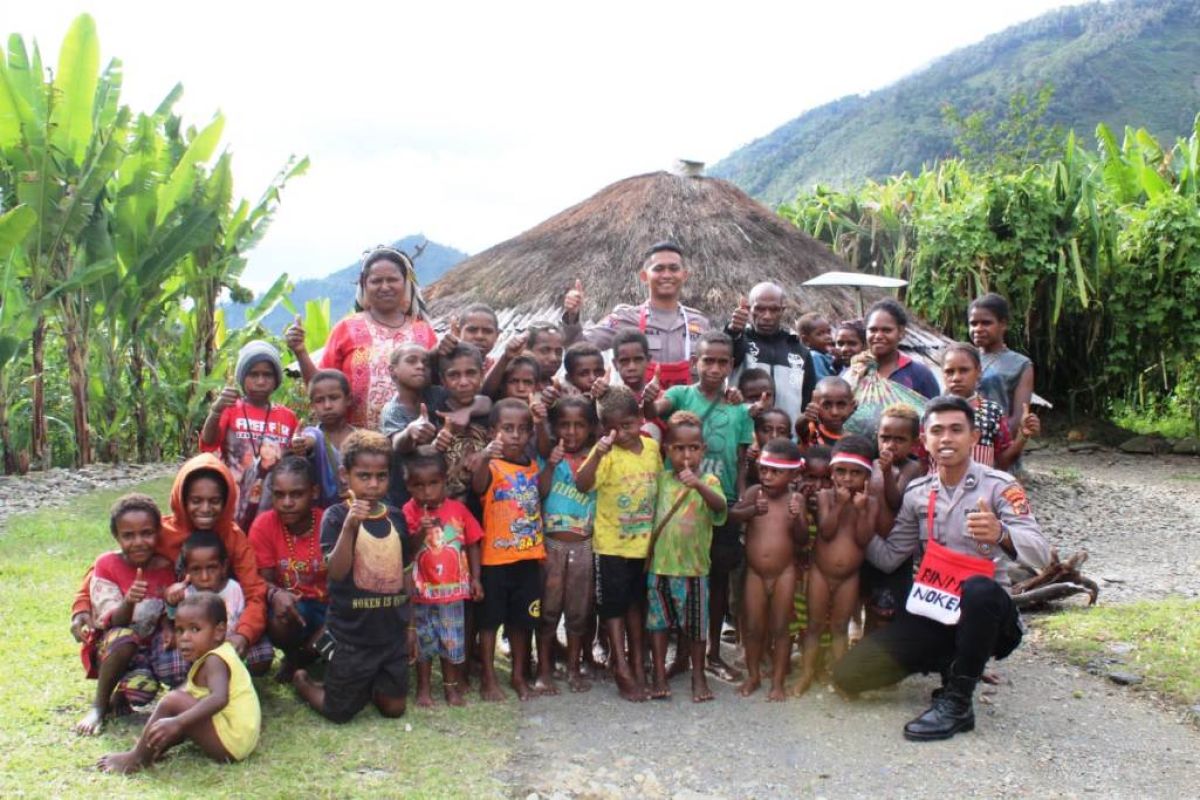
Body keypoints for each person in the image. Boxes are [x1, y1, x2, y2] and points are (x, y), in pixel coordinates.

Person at [833, 395, 1050, 740]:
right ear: (925, 441)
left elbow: (1041, 555)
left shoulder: (999, 487)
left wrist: (1002, 534)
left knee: (979, 590)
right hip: (937, 610)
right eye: (937, 431)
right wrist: (854, 519)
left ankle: (958, 703)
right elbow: (890, 556)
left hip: (991, 618)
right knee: (848, 676)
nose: (946, 438)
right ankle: (950, 659)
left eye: (956, 430)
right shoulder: (918, 493)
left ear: (974, 438)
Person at [69, 455, 271, 681]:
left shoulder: (234, 538)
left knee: (260, 657)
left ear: (227, 501)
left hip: (225, 622)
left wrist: (243, 635)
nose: (205, 508)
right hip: (178, 624)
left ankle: (216, 676)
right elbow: (108, 564)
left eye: (214, 501)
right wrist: (81, 606)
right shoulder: (160, 532)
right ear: (182, 499)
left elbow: (255, 592)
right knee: (172, 668)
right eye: (196, 500)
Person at [293, 431, 416, 723]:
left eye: (381, 476)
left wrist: (410, 626)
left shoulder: (395, 516)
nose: (373, 485)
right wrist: (350, 527)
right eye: (364, 476)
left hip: (391, 635)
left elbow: (406, 571)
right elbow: (336, 572)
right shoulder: (335, 517)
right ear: (345, 475)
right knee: (339, 712)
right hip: (351, 635)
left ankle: (369, 682)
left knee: (394, 708)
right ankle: (303, 681)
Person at [652, 331, 754, 683]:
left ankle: (711, 653)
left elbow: (741, 461)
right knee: (681, 579)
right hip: (680, 502)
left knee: (716, 582)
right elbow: (656, 411)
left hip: (718, 500)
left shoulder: (738, 408)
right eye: (707, 360)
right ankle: (682, 655)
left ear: (731, 365)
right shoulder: (681, 394)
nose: (714, 367)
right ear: (695, 361)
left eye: (722, 362)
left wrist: (739, 498)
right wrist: (651, 399)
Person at [98, 592, 261, 773]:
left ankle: (137, 758)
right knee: (183, 699)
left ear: (219, 631)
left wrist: (178, 723)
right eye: (179, 630)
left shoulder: (215, 660)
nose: (185, 637)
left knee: (172, 700)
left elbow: (219, 699)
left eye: (195, 629)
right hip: (239, 739)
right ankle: (155, 746)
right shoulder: (218, 653)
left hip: (232, 741)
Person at [286, 246, 437, 429]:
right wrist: (301, 352)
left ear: (405, 282)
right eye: (376, 281)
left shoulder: (424, 332)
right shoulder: (346, 329)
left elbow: (439, 384)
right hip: (357, 447)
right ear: (364, 284)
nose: (385, 286)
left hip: (414, 446)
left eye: (392, 280)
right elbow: (320, 387)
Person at [575, 385, 662, 702]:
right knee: (612, 608)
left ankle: (638, 663)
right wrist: (597, 453)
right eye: (611, 428)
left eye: (627, 425)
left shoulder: (652, 449)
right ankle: (621, 667)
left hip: (644, 547)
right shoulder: (607, 454)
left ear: (640, 419)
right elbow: (582, 485)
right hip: (612, 547)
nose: (621, 433)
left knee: (637, 606)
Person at [74, 495, 176, 735]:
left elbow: (167, 611)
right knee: (124, 638)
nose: (138, 542)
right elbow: (114, 622)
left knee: (142, 691)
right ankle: (99, 706)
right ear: (117, 537)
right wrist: (129, 600)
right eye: (128, 536)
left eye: (147, 533)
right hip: (113, 646)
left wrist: (169, 626)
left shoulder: (167, 568)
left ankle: (122, 696)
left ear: (158, 533)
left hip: (149, 649)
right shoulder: (107, 564)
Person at [645, 411, 727, 703]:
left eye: (693, 448)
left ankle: (698, 675)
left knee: (695, 627)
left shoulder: (710, 480)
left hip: (694, 569)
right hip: (660, 567)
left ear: (703, 449)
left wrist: (699, 485)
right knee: (658, 623)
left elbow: (719, 507)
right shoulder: (662, 480)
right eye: (679, 448)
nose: (687, 454)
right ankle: (658, 672)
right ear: (668, 450)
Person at [471, 398, 546, 702]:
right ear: (493, 432)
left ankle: (518, 674)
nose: (515, 435)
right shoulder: (491, 466)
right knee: (489, 622)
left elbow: (542, 494)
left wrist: (549, 462)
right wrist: (484, 458)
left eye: (522, 430)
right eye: (507, 429)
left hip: (528, 558)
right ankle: (489, 677)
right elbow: (477, 487)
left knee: (522, 621)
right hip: (495, 560)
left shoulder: (531, 466)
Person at [561, 241, 711, 390]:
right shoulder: (625, 318)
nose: (666, 275)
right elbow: (577, 347)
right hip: (640, 411)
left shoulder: (700, 323)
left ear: (684, 275)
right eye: (659, 269)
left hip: (689, 412)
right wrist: (572, 316)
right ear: (644, 276)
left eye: (673, 268)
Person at [794, 436, 879, 696]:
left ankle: (843, 678)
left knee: (840, 628)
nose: (847, 479)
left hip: (849, 577)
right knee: (814, 626)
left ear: (867, 476)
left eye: (855, 473)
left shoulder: (870, 503)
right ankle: (808, 672)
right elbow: (827, 532)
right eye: (840, 471)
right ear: (832, 472)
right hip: (820, 572)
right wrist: (841, 505)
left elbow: (864, 540)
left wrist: (862, 511)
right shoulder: (825, 497)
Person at [402, 452, 483, 708]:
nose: (426, 492)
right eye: (419, 485)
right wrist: (419, 532)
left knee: (451, 642)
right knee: (424, 644)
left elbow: (472, 544)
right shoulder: (407, 512)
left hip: (453, 593)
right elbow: (406, 552)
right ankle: (424, 689)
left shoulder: (458, 510)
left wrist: (476, 579)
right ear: (408, 486)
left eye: (433, 483)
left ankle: (451, 689)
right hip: (421, 593)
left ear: (445, 481)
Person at [729, 438, 806, 701]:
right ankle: (753, 675)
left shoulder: (795, 499)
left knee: (781, 627)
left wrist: (797, 518)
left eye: (776, 471)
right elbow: (732, 516)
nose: (768, 476)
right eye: (764, 469)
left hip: (784, 572)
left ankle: (778, 681)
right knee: (752, 627)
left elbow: (803, 539)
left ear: (793, 474)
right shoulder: (754, 493)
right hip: (755, 573)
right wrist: (751, 511)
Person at [536, 396, 598, 695]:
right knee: (547, 612)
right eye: (564, 425)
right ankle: (544, 669)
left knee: (578, 613)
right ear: (554, 427)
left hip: (584, 548)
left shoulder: (597, 458)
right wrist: (550, 463)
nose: (571, 432)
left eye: (579, 425)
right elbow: (541, 491)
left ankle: (573, 668)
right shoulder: (549, 457)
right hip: (551, 547)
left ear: (590, 428)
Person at [199, 340, 298, 530]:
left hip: (272, 505)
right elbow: (209, 442)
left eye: (267, 375)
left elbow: (293, 460)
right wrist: (216, 410)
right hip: (233, 501)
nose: (260, 381)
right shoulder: (231, 410)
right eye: (254, 374)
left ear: (276, 379)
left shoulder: (288, 417)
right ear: (243, 377)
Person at [248, 456, 327, 681]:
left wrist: (335, 623)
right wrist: (276, 594)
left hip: (330, 608)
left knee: (338, 638)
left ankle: (307, 657)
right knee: (278, 618)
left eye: (297, 494)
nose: (287, 503)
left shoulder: (329, 523)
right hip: (295, 607)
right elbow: (263, 580)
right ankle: (294, 655)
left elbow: (346, 584)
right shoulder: (264, 526)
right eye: (279, 495)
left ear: (313, 492)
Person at [164, 531, 275, 677]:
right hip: (198, 651)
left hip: (230, 646)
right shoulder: (186, 594)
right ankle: (201, 677)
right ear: (186, 572)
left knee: (263, 655)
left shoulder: (234, 589)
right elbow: (173, 618)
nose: (205, 577)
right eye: (196, 570)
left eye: (211, 568)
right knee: (173, 666)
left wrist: (240, 638)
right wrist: (170, 602)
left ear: (224, 567)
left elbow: (243, 617)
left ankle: (234, 675)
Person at [861, 404, 925, 633]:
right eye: (885, 437)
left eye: (899, 439)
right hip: (868, 545)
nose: (890, 445)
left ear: (914, 443)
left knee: (889, 607)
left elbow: (896, 501)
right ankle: (863, 646)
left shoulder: (913, 468)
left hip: (895, 550)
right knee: (868, 598)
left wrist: (888, 473)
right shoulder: (870, 465)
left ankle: (884, 652)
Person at [726, 282, 817, 428]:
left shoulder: (799, 350)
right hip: (743, 437)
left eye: (774, 310)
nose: (767, 316)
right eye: (760, 309)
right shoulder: (738, 340)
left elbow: (808, 401)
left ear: (783, 310)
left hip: (787, 440)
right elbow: (728, 352)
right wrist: (733, 332)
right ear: (749, 309)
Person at [942, 342, 1040, 470]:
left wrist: (1022, 436)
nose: (956, 378)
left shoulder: (992, 412)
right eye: (949, 371)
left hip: (982, 488)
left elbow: (1002, 462)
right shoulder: (932, 412)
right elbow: (923, 462)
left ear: (978, 372)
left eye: (964, 370)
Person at [969, 293, 1034, 434]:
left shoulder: (1021, 364)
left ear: (1003, 324)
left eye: (986, 323)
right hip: (963, 446)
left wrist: (990, 441)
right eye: (973, 323)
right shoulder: (965, 358)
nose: (978, 329)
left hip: (1001, 445)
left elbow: (1018, 417)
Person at [291, 369, 357, 508]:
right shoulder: (315, 434)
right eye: (320, 400)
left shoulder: (361, 439)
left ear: (348, 399)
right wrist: (301, 443)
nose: (327, 406)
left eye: (334, 398)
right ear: (312, 406)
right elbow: (310, 438)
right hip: (321, 517)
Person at [594, 327, 663, 441]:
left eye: (638, 359)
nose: (632, 367)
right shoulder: (608, 399)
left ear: (648, 360)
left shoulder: (661, 397)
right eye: (624, 361)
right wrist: (597, 398)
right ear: (615, 364)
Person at [864, 299, 940, 399]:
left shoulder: (919, 375)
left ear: (901, 333)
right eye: (873, 330)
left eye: (886, 330)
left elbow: (936, 412)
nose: (878, 335)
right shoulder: (855, 373)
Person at [798, 376, 857, 449]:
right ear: (816, 405)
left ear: (852, 406)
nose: (834, 412)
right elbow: (800, 426)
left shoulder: (855, 443)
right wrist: (807, 416)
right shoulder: (812, 433)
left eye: (841, 405)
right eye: (826, 406)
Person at [797, 312, 837, 379]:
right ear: (806, 340)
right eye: (820, 334)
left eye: (829, 331)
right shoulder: (814, 357)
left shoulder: (824, 354)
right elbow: (822, 382)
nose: (828, 337)